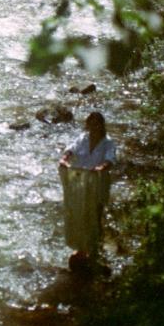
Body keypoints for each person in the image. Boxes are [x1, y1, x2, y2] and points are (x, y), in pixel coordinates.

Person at [58, 111, 117, 270]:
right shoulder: (83, 138)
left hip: (98, 182)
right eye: (91, 124)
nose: (94, 127)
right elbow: (70, 150)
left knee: (95, 215)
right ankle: (82, 247)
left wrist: (100, 168)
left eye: (97, 124)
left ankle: (95, 249)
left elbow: (110, 160)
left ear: (101, 125)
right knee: (80, 213)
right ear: (88, 125)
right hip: (81, 182)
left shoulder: (108, 142)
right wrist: (65, 158)